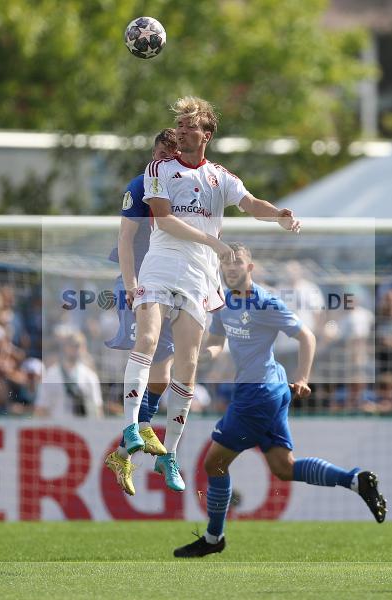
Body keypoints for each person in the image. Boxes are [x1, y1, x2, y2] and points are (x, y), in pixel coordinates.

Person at [105, 96, 301, 496]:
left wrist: (278, 214)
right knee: (147, 339)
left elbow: (250, 203)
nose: (180, 130)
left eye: (189, 125)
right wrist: (213, 242)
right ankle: (130, 428)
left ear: (206, 134)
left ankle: (168, 455)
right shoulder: (159, 167)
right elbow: (162, 218)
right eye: (178, 124)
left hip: (199, 277)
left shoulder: (219, 176)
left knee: (188, 365)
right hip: (161, 263)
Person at [173, 243, 386, 558]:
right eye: (225, 263)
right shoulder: (222, 302)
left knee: (214, 463)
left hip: (258, 393)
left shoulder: (266, 302)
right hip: (264, 390)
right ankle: (356, 481)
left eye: (237, 263)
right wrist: (198, 355)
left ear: (250, 268)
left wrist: (303, 377)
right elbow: (217, 344)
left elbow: (307, 336)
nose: (230, 268)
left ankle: (214, 537)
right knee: (283, 468)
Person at [105, 129, 180, 457]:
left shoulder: (186, 190)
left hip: (171, 284)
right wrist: (131, 283)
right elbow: (125, 238)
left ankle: (135, 436)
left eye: (169, 157)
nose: (161, 162)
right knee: (146, 348)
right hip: (138, 281)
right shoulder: (139, 187)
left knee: (165, 368)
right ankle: (132, 427)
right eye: (158, 155)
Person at [36, 329, 103, 419]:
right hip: (57, 430)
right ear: (65, 347)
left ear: (84, 348)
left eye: (78, 345)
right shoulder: (51, 375)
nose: (75, 349)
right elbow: (41, 409)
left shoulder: (90, 376)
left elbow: (97, 410)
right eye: (72, 345)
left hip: (83, 430)